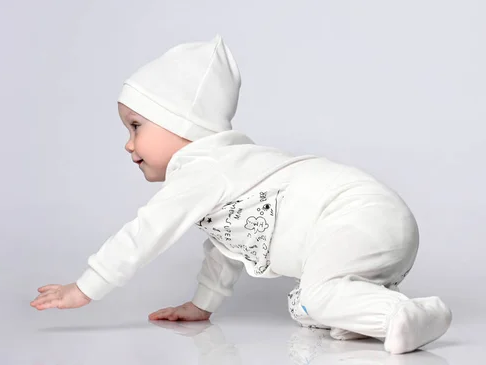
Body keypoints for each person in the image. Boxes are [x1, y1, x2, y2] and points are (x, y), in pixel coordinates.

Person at [30, 35, 452, 354]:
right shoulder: (226, 174)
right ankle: (372, 313)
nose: (128, 144)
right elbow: (230, 243)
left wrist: (85, 287)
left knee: (315, 297)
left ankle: (407, 315)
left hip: (357, 214)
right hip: (373, 221)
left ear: (181, 124)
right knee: (305, 309)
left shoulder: (204, 169)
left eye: (136, 126)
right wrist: (202, 305)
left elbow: (145, 233)